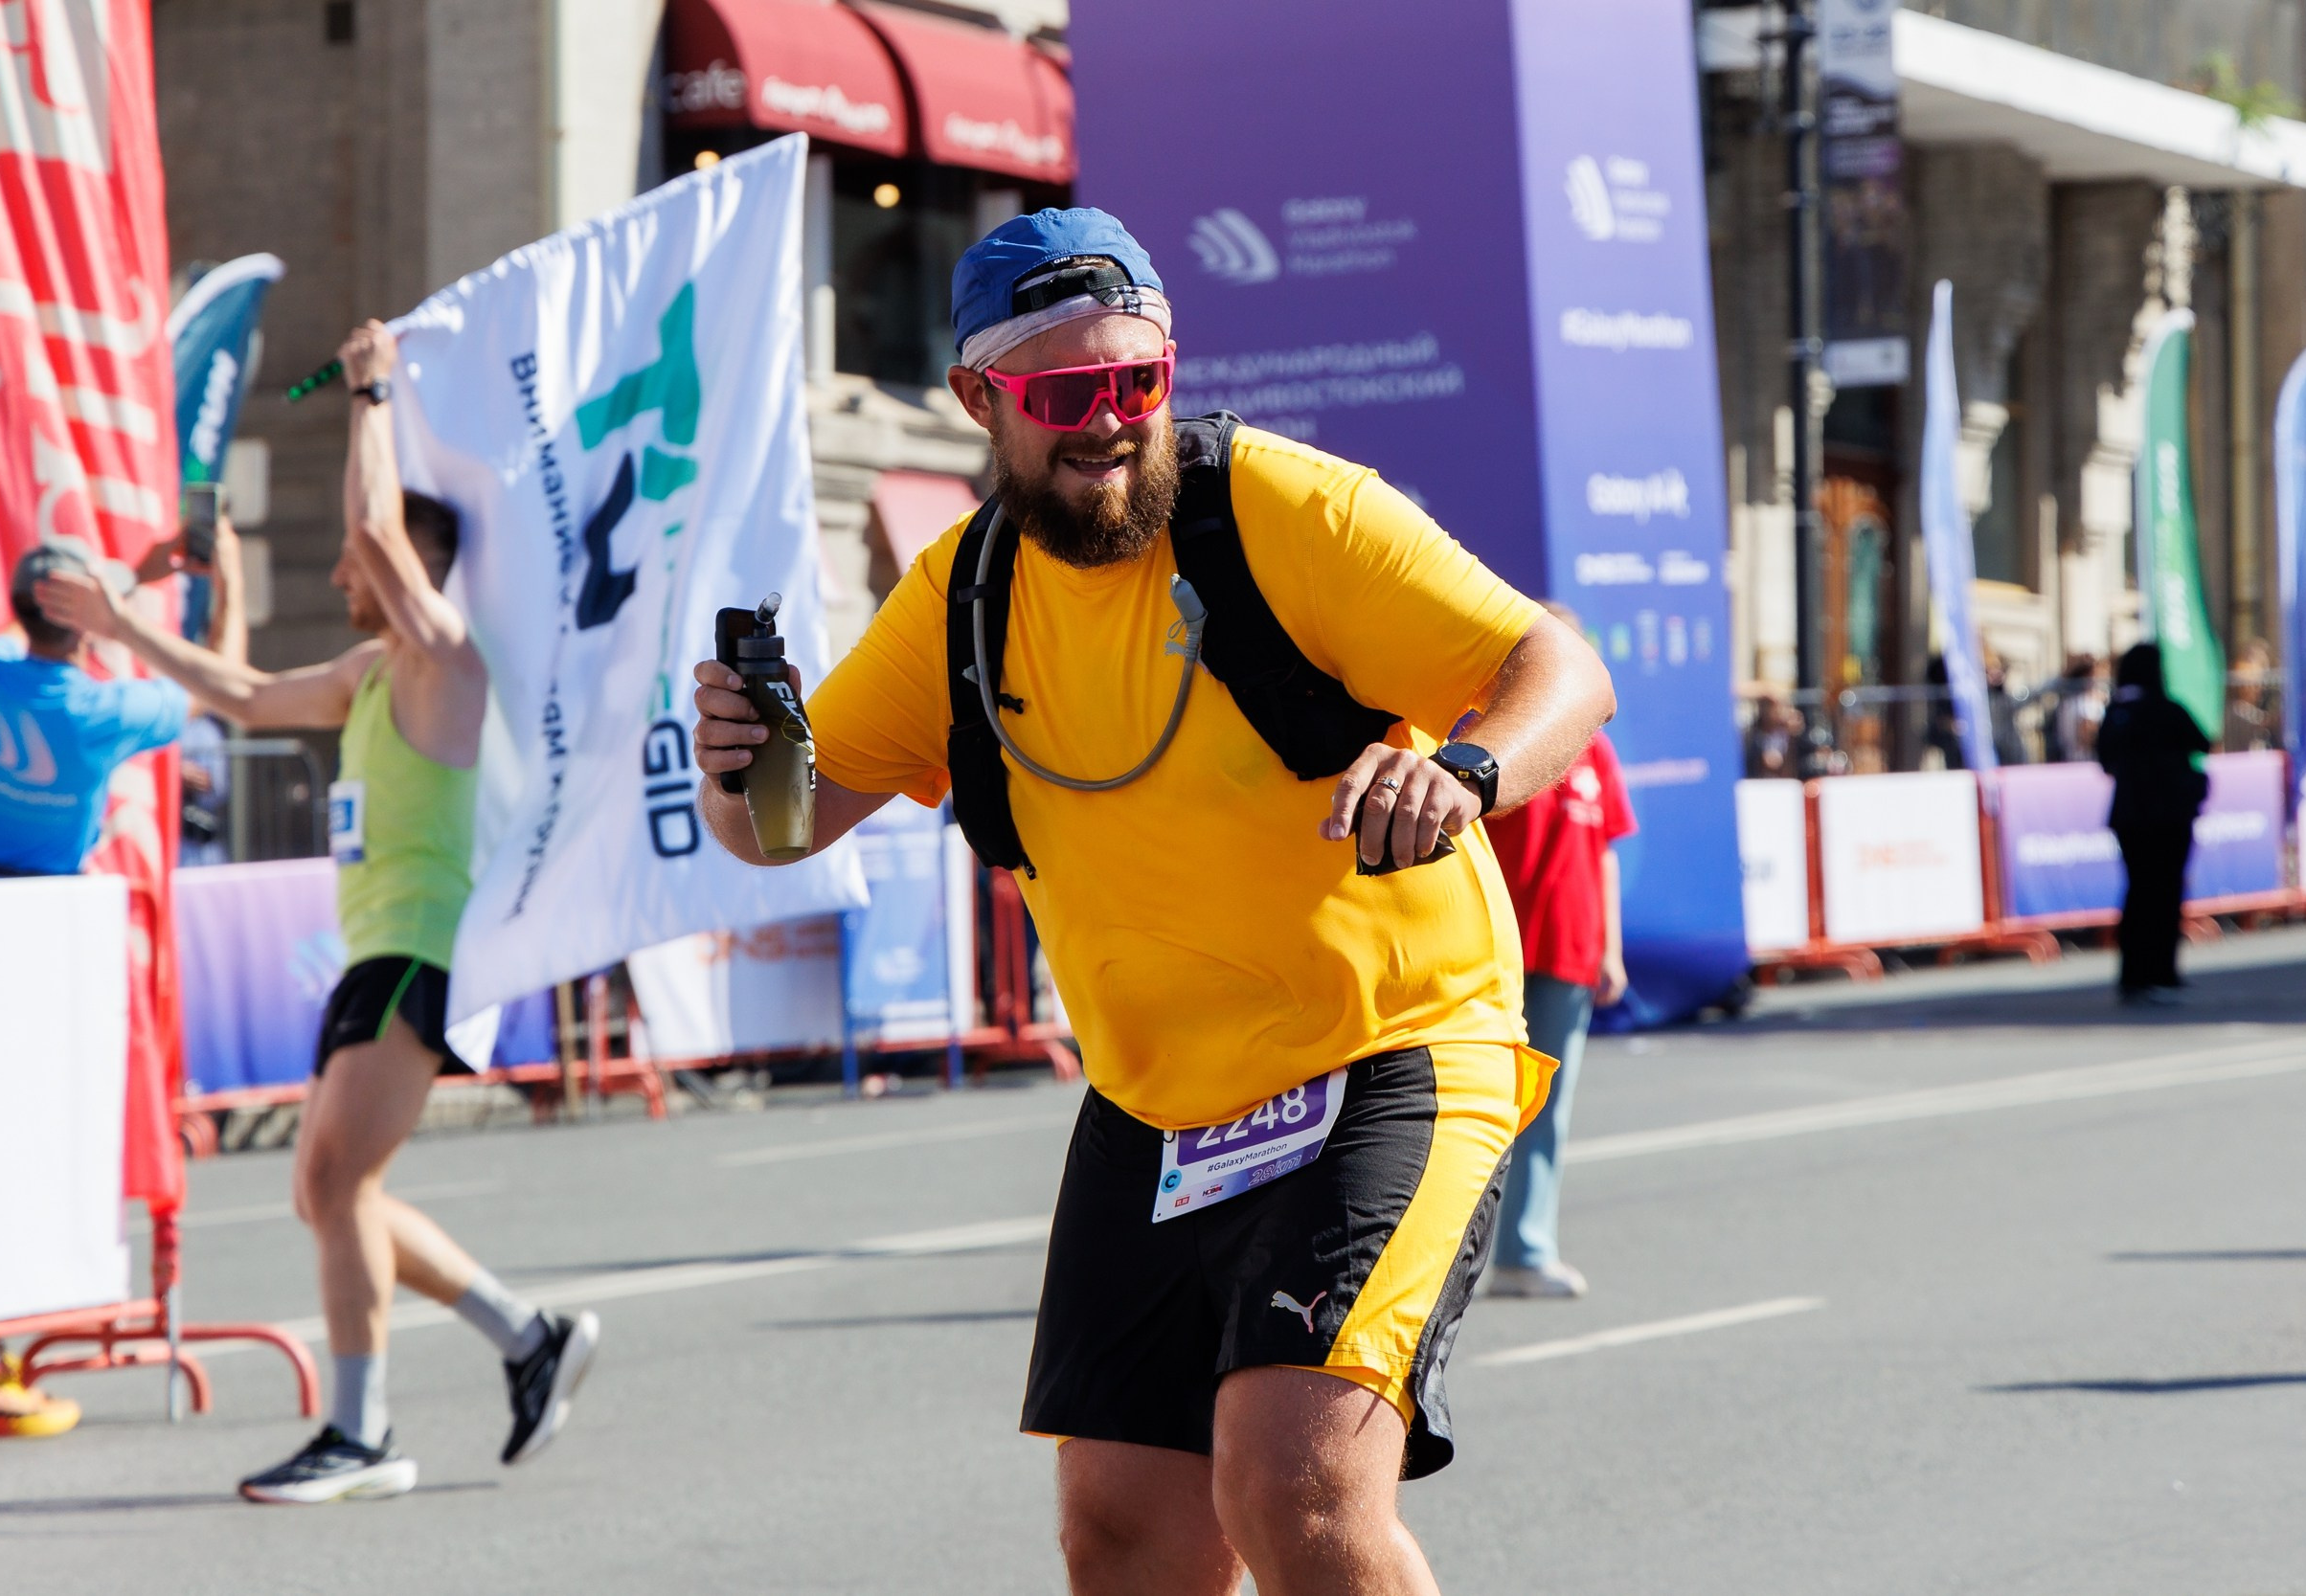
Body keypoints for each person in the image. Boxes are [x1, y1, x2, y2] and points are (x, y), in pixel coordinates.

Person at [694, 209, 1615, 1594]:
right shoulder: (963, 594)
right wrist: (740, 759)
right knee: (1122, 1534)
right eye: (1068, 395)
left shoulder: (1291, 511)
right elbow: (779, 826)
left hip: (1391, 1046)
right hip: (1161, 1100)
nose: (1113, 423)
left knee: (1294, 1477)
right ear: (978, 401)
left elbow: (1562, 664)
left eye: (1139, 381)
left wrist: (1470, 771)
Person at [35, 320, 599, 1503]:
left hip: (420, 948)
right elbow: (239, 695)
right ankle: (526, 1336)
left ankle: (363, 1432)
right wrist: (121, 626)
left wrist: (374, 391)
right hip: (376, 950)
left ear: (418, 560)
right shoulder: (368, 672)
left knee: (336, 1181)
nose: (342, 574)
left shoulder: (448, 654)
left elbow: (378, 532)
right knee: (329, 1188)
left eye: (360, 560)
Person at [0, 541, 197, 1440]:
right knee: (5, 1154)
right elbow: (213, 688)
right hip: (34, 944)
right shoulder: (99, 710)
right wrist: (208, 593)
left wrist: (137, 574)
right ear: (84, 619)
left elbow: (35, 627)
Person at [1480, 605, 1636, 1298]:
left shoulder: (1596, 749)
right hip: (1500, 943)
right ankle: (1460, 1256)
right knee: (1481, 1105)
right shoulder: (1494, 734)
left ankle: (1525, 1247)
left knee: (1548, 1106)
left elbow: (1604, 850)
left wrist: (1612, 945)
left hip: (1571, 946)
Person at [2096, 642, 2209, 1006]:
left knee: (2139, 891)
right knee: (2164, 892)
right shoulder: (2164, 708)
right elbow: (2202, 740)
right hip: (2167, 812)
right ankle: (2160, 970)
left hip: (2131, 814)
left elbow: (2105, 758)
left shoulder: (2118, 711)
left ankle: (2136, 975)